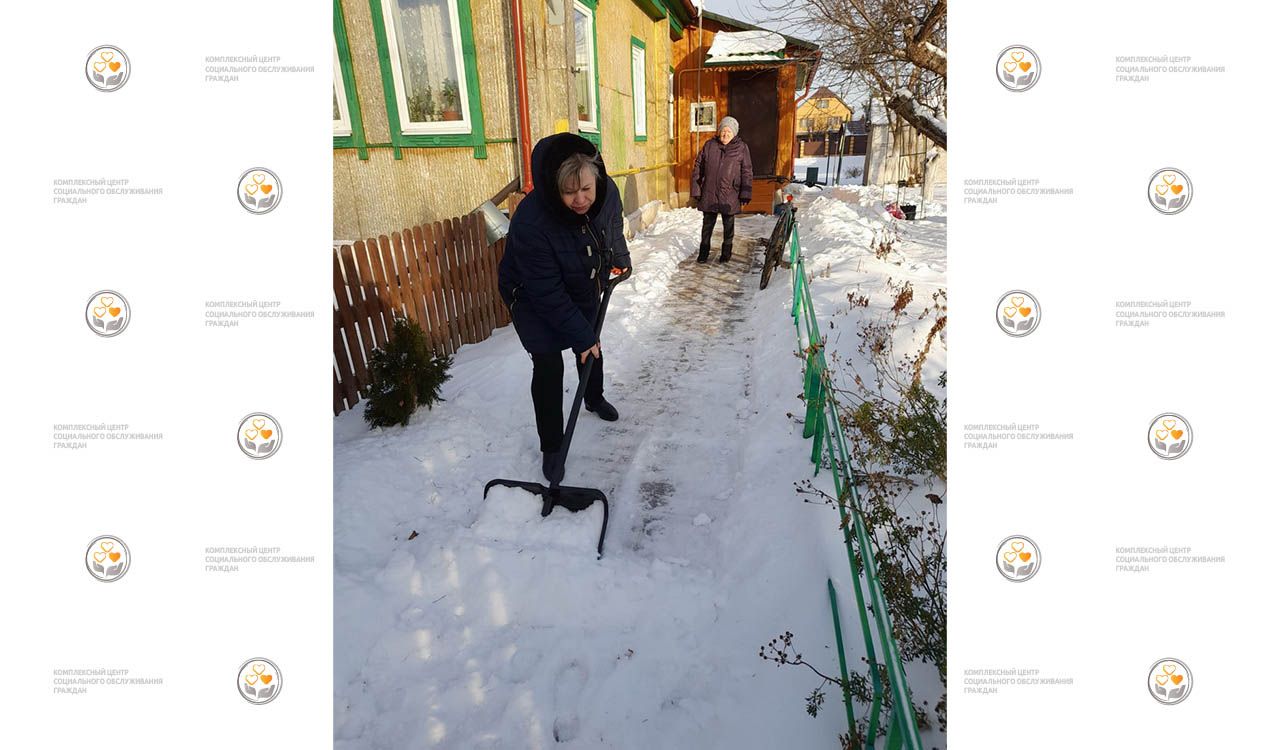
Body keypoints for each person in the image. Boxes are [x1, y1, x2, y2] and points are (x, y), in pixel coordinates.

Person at [498, 133, 632, 482]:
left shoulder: (605, 191)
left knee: (590, 345)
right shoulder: (532, 223)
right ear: (554, 188)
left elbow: (612, 224)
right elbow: (547, 292)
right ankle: (552, 446)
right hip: (531, 294)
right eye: (570, 192)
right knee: (548, 365)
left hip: (582, 277)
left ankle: (594, 397)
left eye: (586, 189)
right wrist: (580, 334)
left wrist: (620, 256)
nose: (581, 199)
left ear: (596, 178)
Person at [690, 116, 753, 263]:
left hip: (730, 194)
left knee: (728, 226)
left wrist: (745, 193)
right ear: (719, 131)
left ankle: (726, 254)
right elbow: (698, 167)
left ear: (734, 133)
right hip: (710, 192)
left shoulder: (741, 148)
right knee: (707, 226)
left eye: (729, 131)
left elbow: (747, 171)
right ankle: (703, 253)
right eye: (723, 131)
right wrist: (696, 190)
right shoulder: (709, 145)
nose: (725, 134)